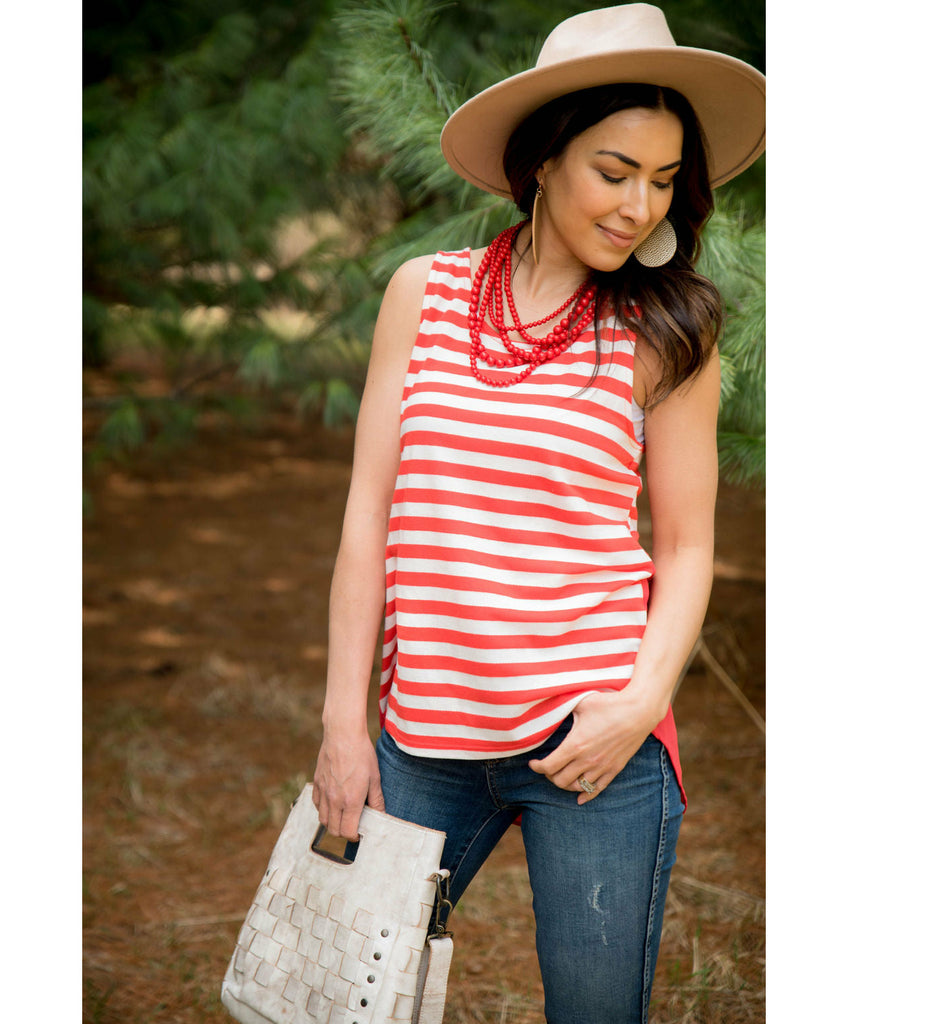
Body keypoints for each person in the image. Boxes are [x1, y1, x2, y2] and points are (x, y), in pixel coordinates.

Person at [312, 5, 765, 1022]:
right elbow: (366, 517)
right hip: (418, 739)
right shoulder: (420, 294)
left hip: (594, 742)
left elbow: (689, 546)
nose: (639, 207)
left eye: (662, 182)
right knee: (340, 999)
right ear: (543, 160)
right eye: (614, 172)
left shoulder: (669, 332)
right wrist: (345, 723)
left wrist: (641, 701)